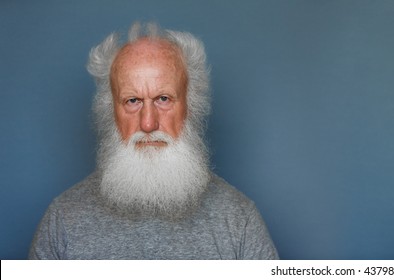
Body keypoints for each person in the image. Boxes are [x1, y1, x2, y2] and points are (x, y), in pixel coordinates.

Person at [29, 22, 278, 259]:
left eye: (164, 99)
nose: (148, 124)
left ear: (190, 106)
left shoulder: (239, 220)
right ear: (111, 111)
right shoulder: (62, 220)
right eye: (132, 101)